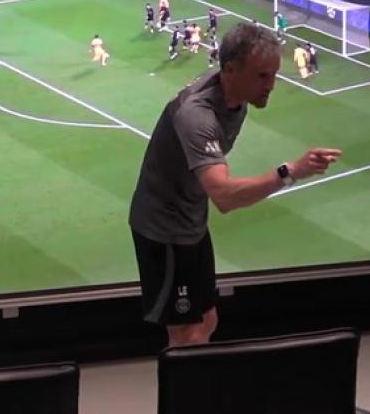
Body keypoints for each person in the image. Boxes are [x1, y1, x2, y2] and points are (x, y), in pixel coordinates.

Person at [129, 22, 342, 347]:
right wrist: (291, 171)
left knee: (207, 320)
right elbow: (224, 196)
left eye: (274, 74)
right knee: (185, 333)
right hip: (164, 229)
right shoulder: (197, 116)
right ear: (230, 70)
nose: (272, 85)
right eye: (262, 76)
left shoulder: (236, 99)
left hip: (191, 219)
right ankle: (186, 382)